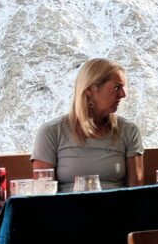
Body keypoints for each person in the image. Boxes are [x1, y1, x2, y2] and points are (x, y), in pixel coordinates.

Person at [32, 58, 144, 192]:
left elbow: (136, 192)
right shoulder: (51, 132)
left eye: (123, 87)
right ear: (90, 89)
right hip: (68, 205)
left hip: (117, 205)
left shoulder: (129, 131)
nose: (123, 94)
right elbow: (44, 193)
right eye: (117, 87)